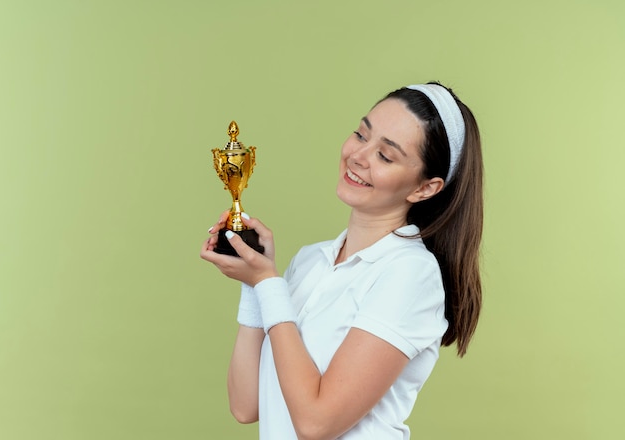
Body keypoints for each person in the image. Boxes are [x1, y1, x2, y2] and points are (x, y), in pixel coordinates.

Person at [200, 82, 483, 440]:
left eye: (386, 155)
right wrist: (252, 283)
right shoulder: (311, 261)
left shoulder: (410, 274)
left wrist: (268, 284)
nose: (359, 156)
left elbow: (316, 423)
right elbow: (246, 405)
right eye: (361, 134)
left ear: (424, 188)